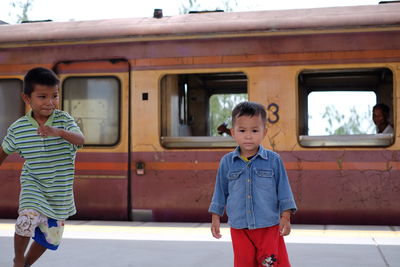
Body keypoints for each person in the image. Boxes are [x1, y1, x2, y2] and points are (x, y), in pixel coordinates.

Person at [0, 67, 84, 267]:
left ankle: (26, 264)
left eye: (54, 96)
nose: (50, 102)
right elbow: (2, 152)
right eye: (42, 96)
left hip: (59, 192)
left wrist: (59, 132)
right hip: (33, 186)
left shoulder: (65, 120)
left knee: (49, 238)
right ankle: (18, 259)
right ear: (27, 98)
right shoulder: (19, 128)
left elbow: (81, 139)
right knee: (25, 221)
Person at [208, 101, 297, 267]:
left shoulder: (273, 160)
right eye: (242, 130)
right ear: (233, 132)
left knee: (269, 263)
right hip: (239, 226)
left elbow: (283, 189)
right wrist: (215, 216)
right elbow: (220, 191)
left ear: (264, 132)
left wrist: (286, 216)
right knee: (243, 263)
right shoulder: (227, 162)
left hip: (268, 225)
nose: (248, 136)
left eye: (255, 130)